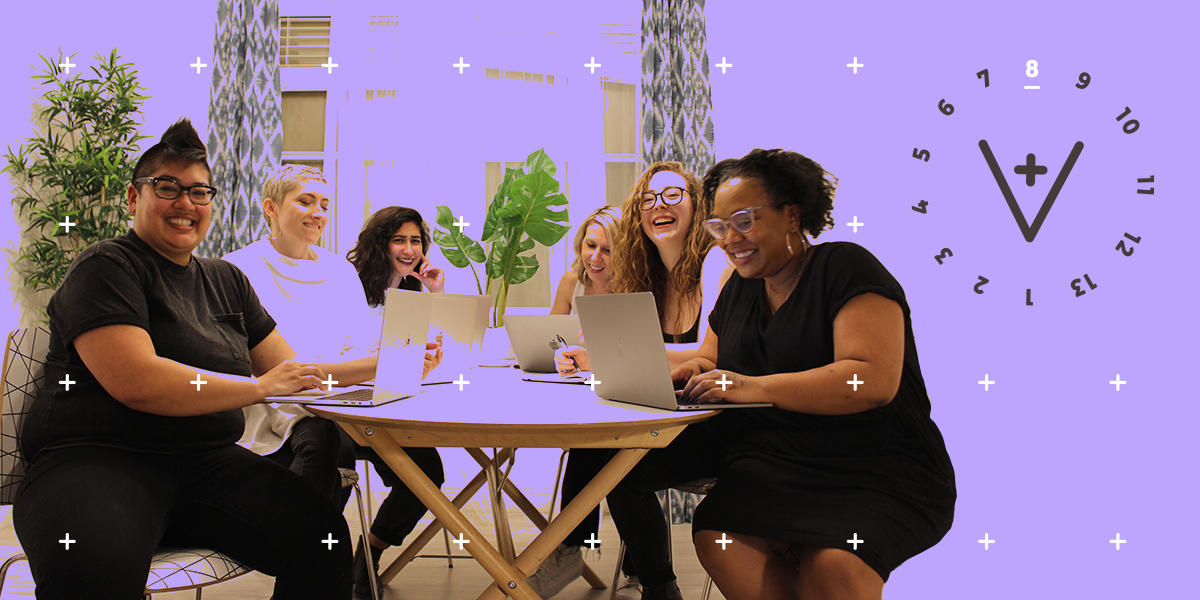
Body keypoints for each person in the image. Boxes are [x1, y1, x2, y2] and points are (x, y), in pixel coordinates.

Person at [13, 119, 353, 599]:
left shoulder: (226, 279)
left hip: (205, 465)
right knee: (94, 571)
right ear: (134, 198)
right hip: (96, 461)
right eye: (167, 187)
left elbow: (294, 373)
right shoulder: (107, 266)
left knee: (325, 539)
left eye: (200, 192)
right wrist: (258, 388)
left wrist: (394, 361)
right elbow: (139, 381)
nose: (186, 203)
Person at [607, 149, 957, 600]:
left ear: (792, 215)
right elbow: (713, 358)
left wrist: (752, 386)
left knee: (834, 564)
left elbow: (867, 381)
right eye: (719, 226)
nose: (730, 238)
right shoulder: (738, 288)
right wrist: (697, 370)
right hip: (772, 464)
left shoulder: (845, 268)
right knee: (720, 538)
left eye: (745, 221)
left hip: (871, 466)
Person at [535, 163, 730, 599]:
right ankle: (640, 577)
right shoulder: (646, 275)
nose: (658, 205)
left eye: (672, 195)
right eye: (648, 198)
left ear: (695, 204)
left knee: (615, 460)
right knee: (601, 445)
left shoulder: (715, 260)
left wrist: (605, 353)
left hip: (715, 417)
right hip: (664, 410)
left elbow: (707, 355)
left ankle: (595, 561)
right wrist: (597, 357)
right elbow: (643, 359)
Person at [342, 205, 448, 598]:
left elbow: (437, 345)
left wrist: (436, 292)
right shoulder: (347, 284)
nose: (408, 249)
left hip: (391, 407)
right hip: (345, 410)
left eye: (415, 241)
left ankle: (369, 552)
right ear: (380, 243)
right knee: (332, 478)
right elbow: (348, 352)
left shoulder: (411, 290)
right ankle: (324, 564)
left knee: (427, 477)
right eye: (398, 240)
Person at [549, 205, 621, 315]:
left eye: (607, 250)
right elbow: (552, 330)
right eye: (591, 245)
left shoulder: (636, 287)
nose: (595, 257)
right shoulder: (571, 281)